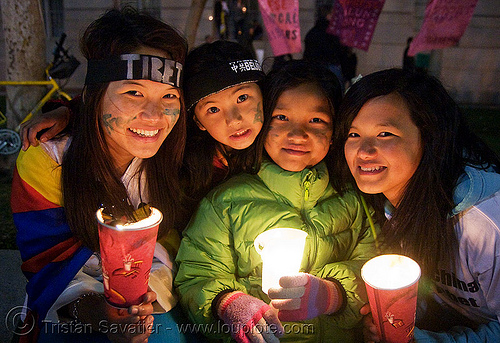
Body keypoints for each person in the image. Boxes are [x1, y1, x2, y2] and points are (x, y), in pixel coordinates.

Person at [11, 7, 193, 343]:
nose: (154, 115)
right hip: (69, 311)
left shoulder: (176, 154)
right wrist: (103, 313)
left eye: (169, 96)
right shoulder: (46, 159)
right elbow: (46, 266)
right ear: (95, 97)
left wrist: (139, 301)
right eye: (133, 93)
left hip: (155, 298)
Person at [174, 60, 380, 342]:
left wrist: (332, 294)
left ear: (335, 133)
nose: (297, 134)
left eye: (317, 120)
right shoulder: (226, 202)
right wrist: (228, 303)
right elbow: (196, 276)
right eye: (281, 118)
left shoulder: (353, 199)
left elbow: (372, 264)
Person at [19, 40, 266, 232]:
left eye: (243, 98)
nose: (233, 119)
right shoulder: (181, 156)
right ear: (196, 120)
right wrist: (72, 112)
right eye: (212, 109)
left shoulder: (284, 140)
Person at [332, 68, 500, 342]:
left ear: (429, 138)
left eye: (385, 134)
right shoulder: (389, 203)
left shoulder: (483, 224)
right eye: (353, 135)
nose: (364, 151)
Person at [303, 4, 345, 92]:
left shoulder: (312, 32)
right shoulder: (332, 33)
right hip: (330, 67)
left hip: (314, 68)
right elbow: (337, 51)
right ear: (328, 15)